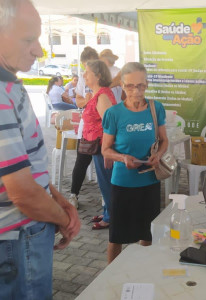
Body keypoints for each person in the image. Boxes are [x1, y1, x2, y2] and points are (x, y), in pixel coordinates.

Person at [0, 0, 80, 298]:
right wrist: (64, 220)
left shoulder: (9, 85)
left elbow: (29, 166)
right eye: (28, 39)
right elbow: (21, 192)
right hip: (18, 239)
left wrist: (58, 199)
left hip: (23, 235)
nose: (39, 50)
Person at [102, 62, 168, 263]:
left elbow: (164, 140)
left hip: (149, 181)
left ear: (147, 84)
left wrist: (159, 155)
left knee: (147, 233)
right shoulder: (114, 113)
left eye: (140, 86)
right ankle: (110, 278)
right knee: (117, 236)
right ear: (122, 85)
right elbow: (105, 149)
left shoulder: (156, 108)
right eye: (130, 86)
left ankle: (144, 269)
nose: (136, 91)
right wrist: (123, 158)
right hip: (123, 182)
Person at [82, 59, 117, 230]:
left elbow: (110, 125)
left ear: (98, 75)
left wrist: (108, 150)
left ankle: (111, 217)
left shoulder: (102, 95)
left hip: (103, 147)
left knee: (107, 182)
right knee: (105, 182)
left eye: (87, 72)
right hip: (99, 146)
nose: (84, 75)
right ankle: (108, 212)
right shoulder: (98, 93)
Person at [68, 47, 99, 208]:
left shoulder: (106, 78)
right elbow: (78, 101)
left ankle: (108, 199)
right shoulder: (82, 78)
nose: (87, 71)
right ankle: (74, 195)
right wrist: (87, 100)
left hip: (103, 129)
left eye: (91, 65)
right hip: (87, 128)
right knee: (81, 161)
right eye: (85, 66)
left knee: (105, 165)